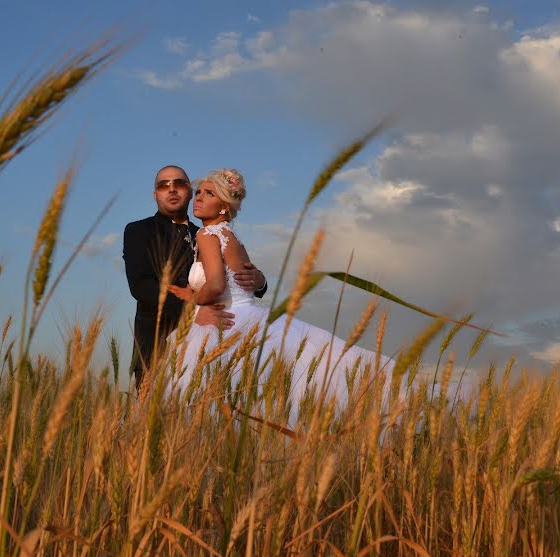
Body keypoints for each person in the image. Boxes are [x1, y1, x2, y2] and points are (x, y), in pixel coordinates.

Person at [167, 168, 393, 413]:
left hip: (225, 320)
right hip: (252, 316)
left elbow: (217, 285)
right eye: (198, 192)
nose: (198, 197)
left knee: (206, 392)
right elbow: (244, 280)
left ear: (224, 206)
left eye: (209, 193)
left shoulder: (206, 234)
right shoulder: (234, 239)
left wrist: (191, 299)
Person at [123, 165, 267, 386]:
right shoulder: (138, 231)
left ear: (189, 192)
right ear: (155, 195)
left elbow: (234, 274)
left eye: (179, 184)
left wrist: (260, 281)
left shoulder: (207, 230)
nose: (171, 190)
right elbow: (141, 286)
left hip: (217, 340)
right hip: (157, 343)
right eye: (163, 185)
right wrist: (192, 312)